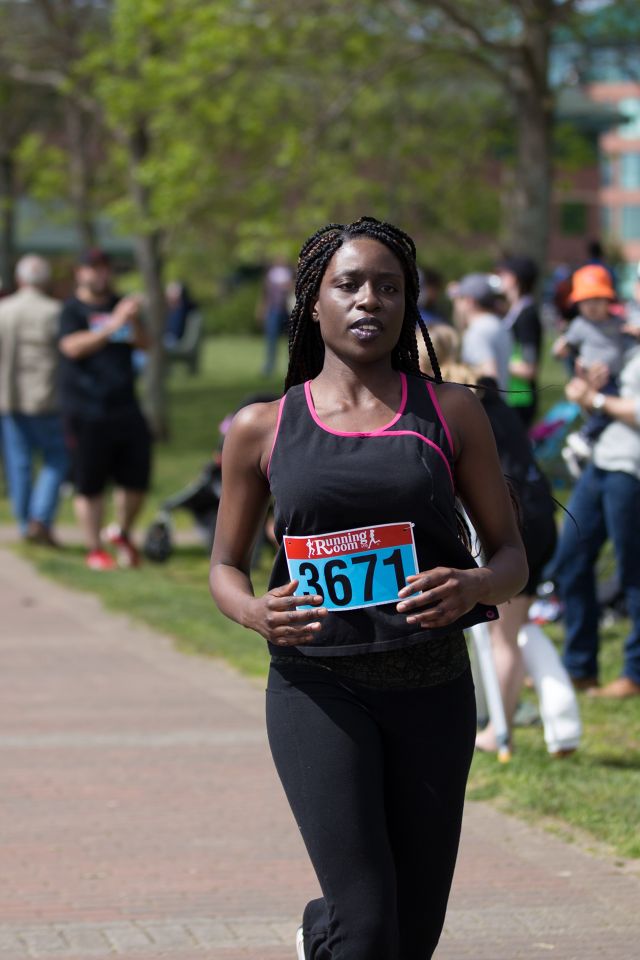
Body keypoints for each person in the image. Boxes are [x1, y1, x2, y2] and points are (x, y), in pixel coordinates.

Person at [210, 216, 527, 960]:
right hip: (318, 690)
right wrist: (258, 611)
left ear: (407, 304)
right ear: (312, 304)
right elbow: (225, 565)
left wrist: (476, 582)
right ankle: (335, 930)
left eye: (390, 287)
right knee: (368, 929)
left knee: (410, 936)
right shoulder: (262, 427)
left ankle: (319, 932)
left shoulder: (452, 413)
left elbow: (512, 554)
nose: (370, 300)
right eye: (348, 284)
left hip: (432, 689)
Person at [58, 248, 152, 570]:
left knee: (136, 477)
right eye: (93, 268)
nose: (100, 274)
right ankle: (94, 548)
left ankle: (121, 531)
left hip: (124, 404)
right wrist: (113, 325)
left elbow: (144, 344)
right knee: (90, 482)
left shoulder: (120, 305)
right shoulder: (71, 310)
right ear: (79, 272)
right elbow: (71, 347)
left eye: (104, 268)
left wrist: (134, 320)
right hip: (85, 409)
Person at [554, 349, 640, 698]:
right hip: (602, 463)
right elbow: (602, 408)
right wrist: (584, 396)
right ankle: (579, 668)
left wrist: (597, 399)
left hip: (632, 473)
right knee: (569, 561)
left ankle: (635, 674)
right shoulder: (626, 345)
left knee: (633, 575)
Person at [0, 255, 68, 546]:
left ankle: (25, 523)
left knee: (19, 463)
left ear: (20, 279)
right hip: (47, 398)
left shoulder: (4, 310)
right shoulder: (56, 311)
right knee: (58, 457)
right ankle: (40, 517)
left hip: (9, 398)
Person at [552, 264, 634, 476]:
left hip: (615, 374)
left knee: (609, 407)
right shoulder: (580, 324)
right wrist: (561, 348)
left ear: (609, 300)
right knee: (603, 404)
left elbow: (628, 335)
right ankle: (585, 438)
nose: (592, 307)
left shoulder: (617, 323)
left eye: (598, 300)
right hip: (592, 373)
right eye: (586, 302)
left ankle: (585, 440)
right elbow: (566, 342)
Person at [497, 255, 542, 427]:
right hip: (513, 396)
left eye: (504, 274)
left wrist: (496, 358)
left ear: (515, 278)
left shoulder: (527, 315)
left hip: (520, 398)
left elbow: (529, 368)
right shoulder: (516, 311)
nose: (500, 278)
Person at [451, 273, 512, 389]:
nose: (456, 305)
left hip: (484, 405)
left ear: (469, 301)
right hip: (499, 402)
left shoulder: (478, 331)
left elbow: (489, 376)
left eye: (459, 299)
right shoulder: (498, 323)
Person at [258, 257, 294, 376]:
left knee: (291, 340)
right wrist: (262, 309)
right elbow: (265, 294)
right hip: (273, 310)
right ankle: (269, 367)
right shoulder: (270, 273)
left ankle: (292, 367)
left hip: (288, 310)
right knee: (271, 340)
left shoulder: (291, 271)